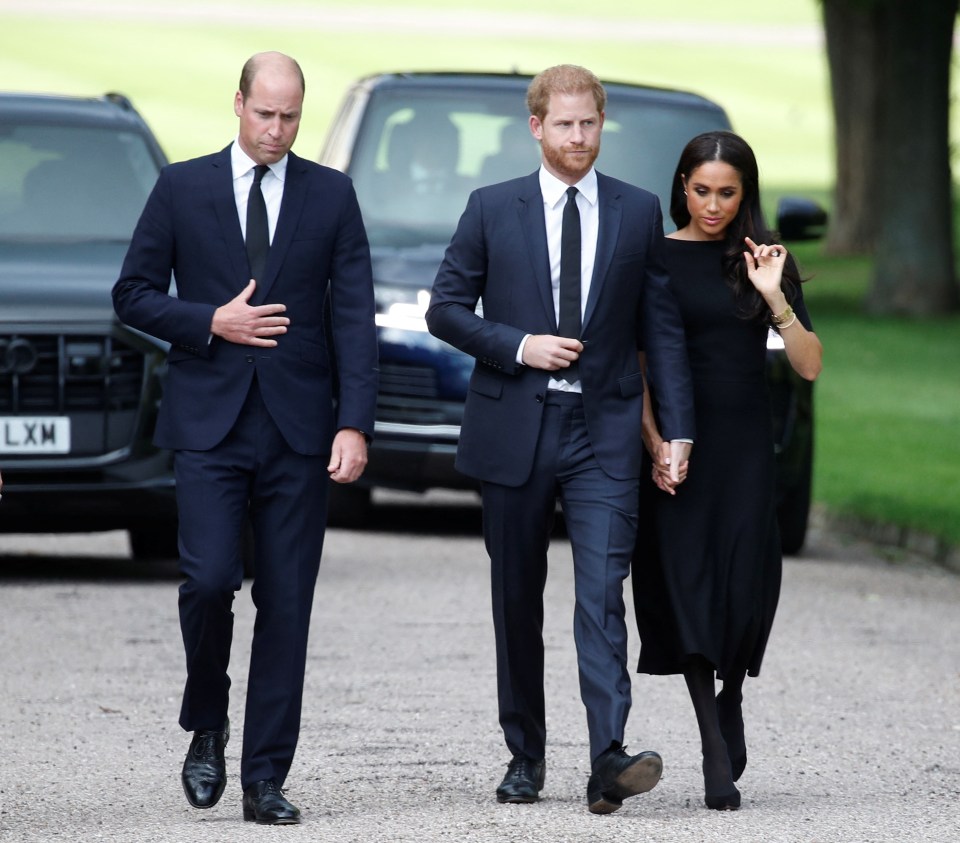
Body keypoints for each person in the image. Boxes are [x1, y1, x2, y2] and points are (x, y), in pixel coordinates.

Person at [112, 52, 378, 825]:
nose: (277, 129)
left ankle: (265, 776)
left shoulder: (331, 195)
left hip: (299, 429)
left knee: (288, 603)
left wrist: (354, 420)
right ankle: (208, 718)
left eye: (291, 116)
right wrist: (208, 321)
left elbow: (354, 315)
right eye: (265, 114)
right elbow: (130, 293)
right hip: (209, 425)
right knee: (206, 581)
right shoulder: (183, 186)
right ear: (238, 104)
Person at [425, 64, 695, 814]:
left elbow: (660, 333)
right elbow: (444, 310)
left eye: (590, 124)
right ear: (536, 126)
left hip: (604, 429)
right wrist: (519, 345)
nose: (579, 137)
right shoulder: (490, 208)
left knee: (602, 591)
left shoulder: (638, 212)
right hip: (516, 421)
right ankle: (525, 754)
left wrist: (675, 430)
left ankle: (609, 754)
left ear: (602, 125)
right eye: (565, 124)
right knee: (517, 596)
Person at [632, 130, 822, 811]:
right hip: (680, 443)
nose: (712, 205)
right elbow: (643, 364)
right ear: (682, 184)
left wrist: (775, 295)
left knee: (744, 584)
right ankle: (714, 744)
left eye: (727, 192)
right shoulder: (653, 254)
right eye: (701, 189)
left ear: (746, 193)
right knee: (685, 583)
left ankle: (732, 689)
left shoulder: (765, 257)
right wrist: (655, 440)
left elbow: (808, 364)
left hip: (744, 444)